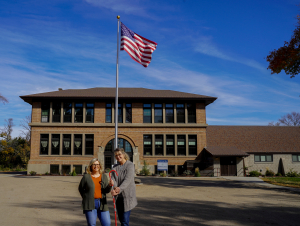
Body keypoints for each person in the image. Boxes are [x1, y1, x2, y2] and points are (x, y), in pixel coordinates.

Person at [78, 158, 114, 226]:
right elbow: (80, 188)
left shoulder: (104, 177)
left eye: (97, 164)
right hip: (90, 203)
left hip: (102, 203)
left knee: (107, 223)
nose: (96, 166)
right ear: (91, 166)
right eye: (94, 164)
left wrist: (109, 185)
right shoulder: (86, 177)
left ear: (100, 166)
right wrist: (86, 197)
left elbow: (106, 191)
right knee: (92, 224)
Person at [111, 148, 137, 226]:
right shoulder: (115, 167)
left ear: (124, 154)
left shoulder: (130, 165)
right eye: (116, 155)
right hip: (118, 197)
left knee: (125, 221)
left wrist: (119, 188)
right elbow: (113, 179)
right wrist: (115, 187)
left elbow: (128, 180)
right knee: (121, 219)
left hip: (128, 197)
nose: (118, 156)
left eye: (119, 154)